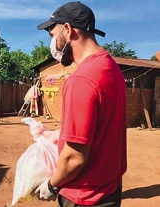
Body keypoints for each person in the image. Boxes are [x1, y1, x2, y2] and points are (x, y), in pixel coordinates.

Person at [34, 1, 127, 207]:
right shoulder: (111, 69)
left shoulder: (82, 79)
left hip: (83, 196)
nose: (53, 43)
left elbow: (74, 159)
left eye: (52, 35)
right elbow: (101, 128)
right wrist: (59, 135)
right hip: (109, 190)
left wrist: (51, 185)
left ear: (67, 30)